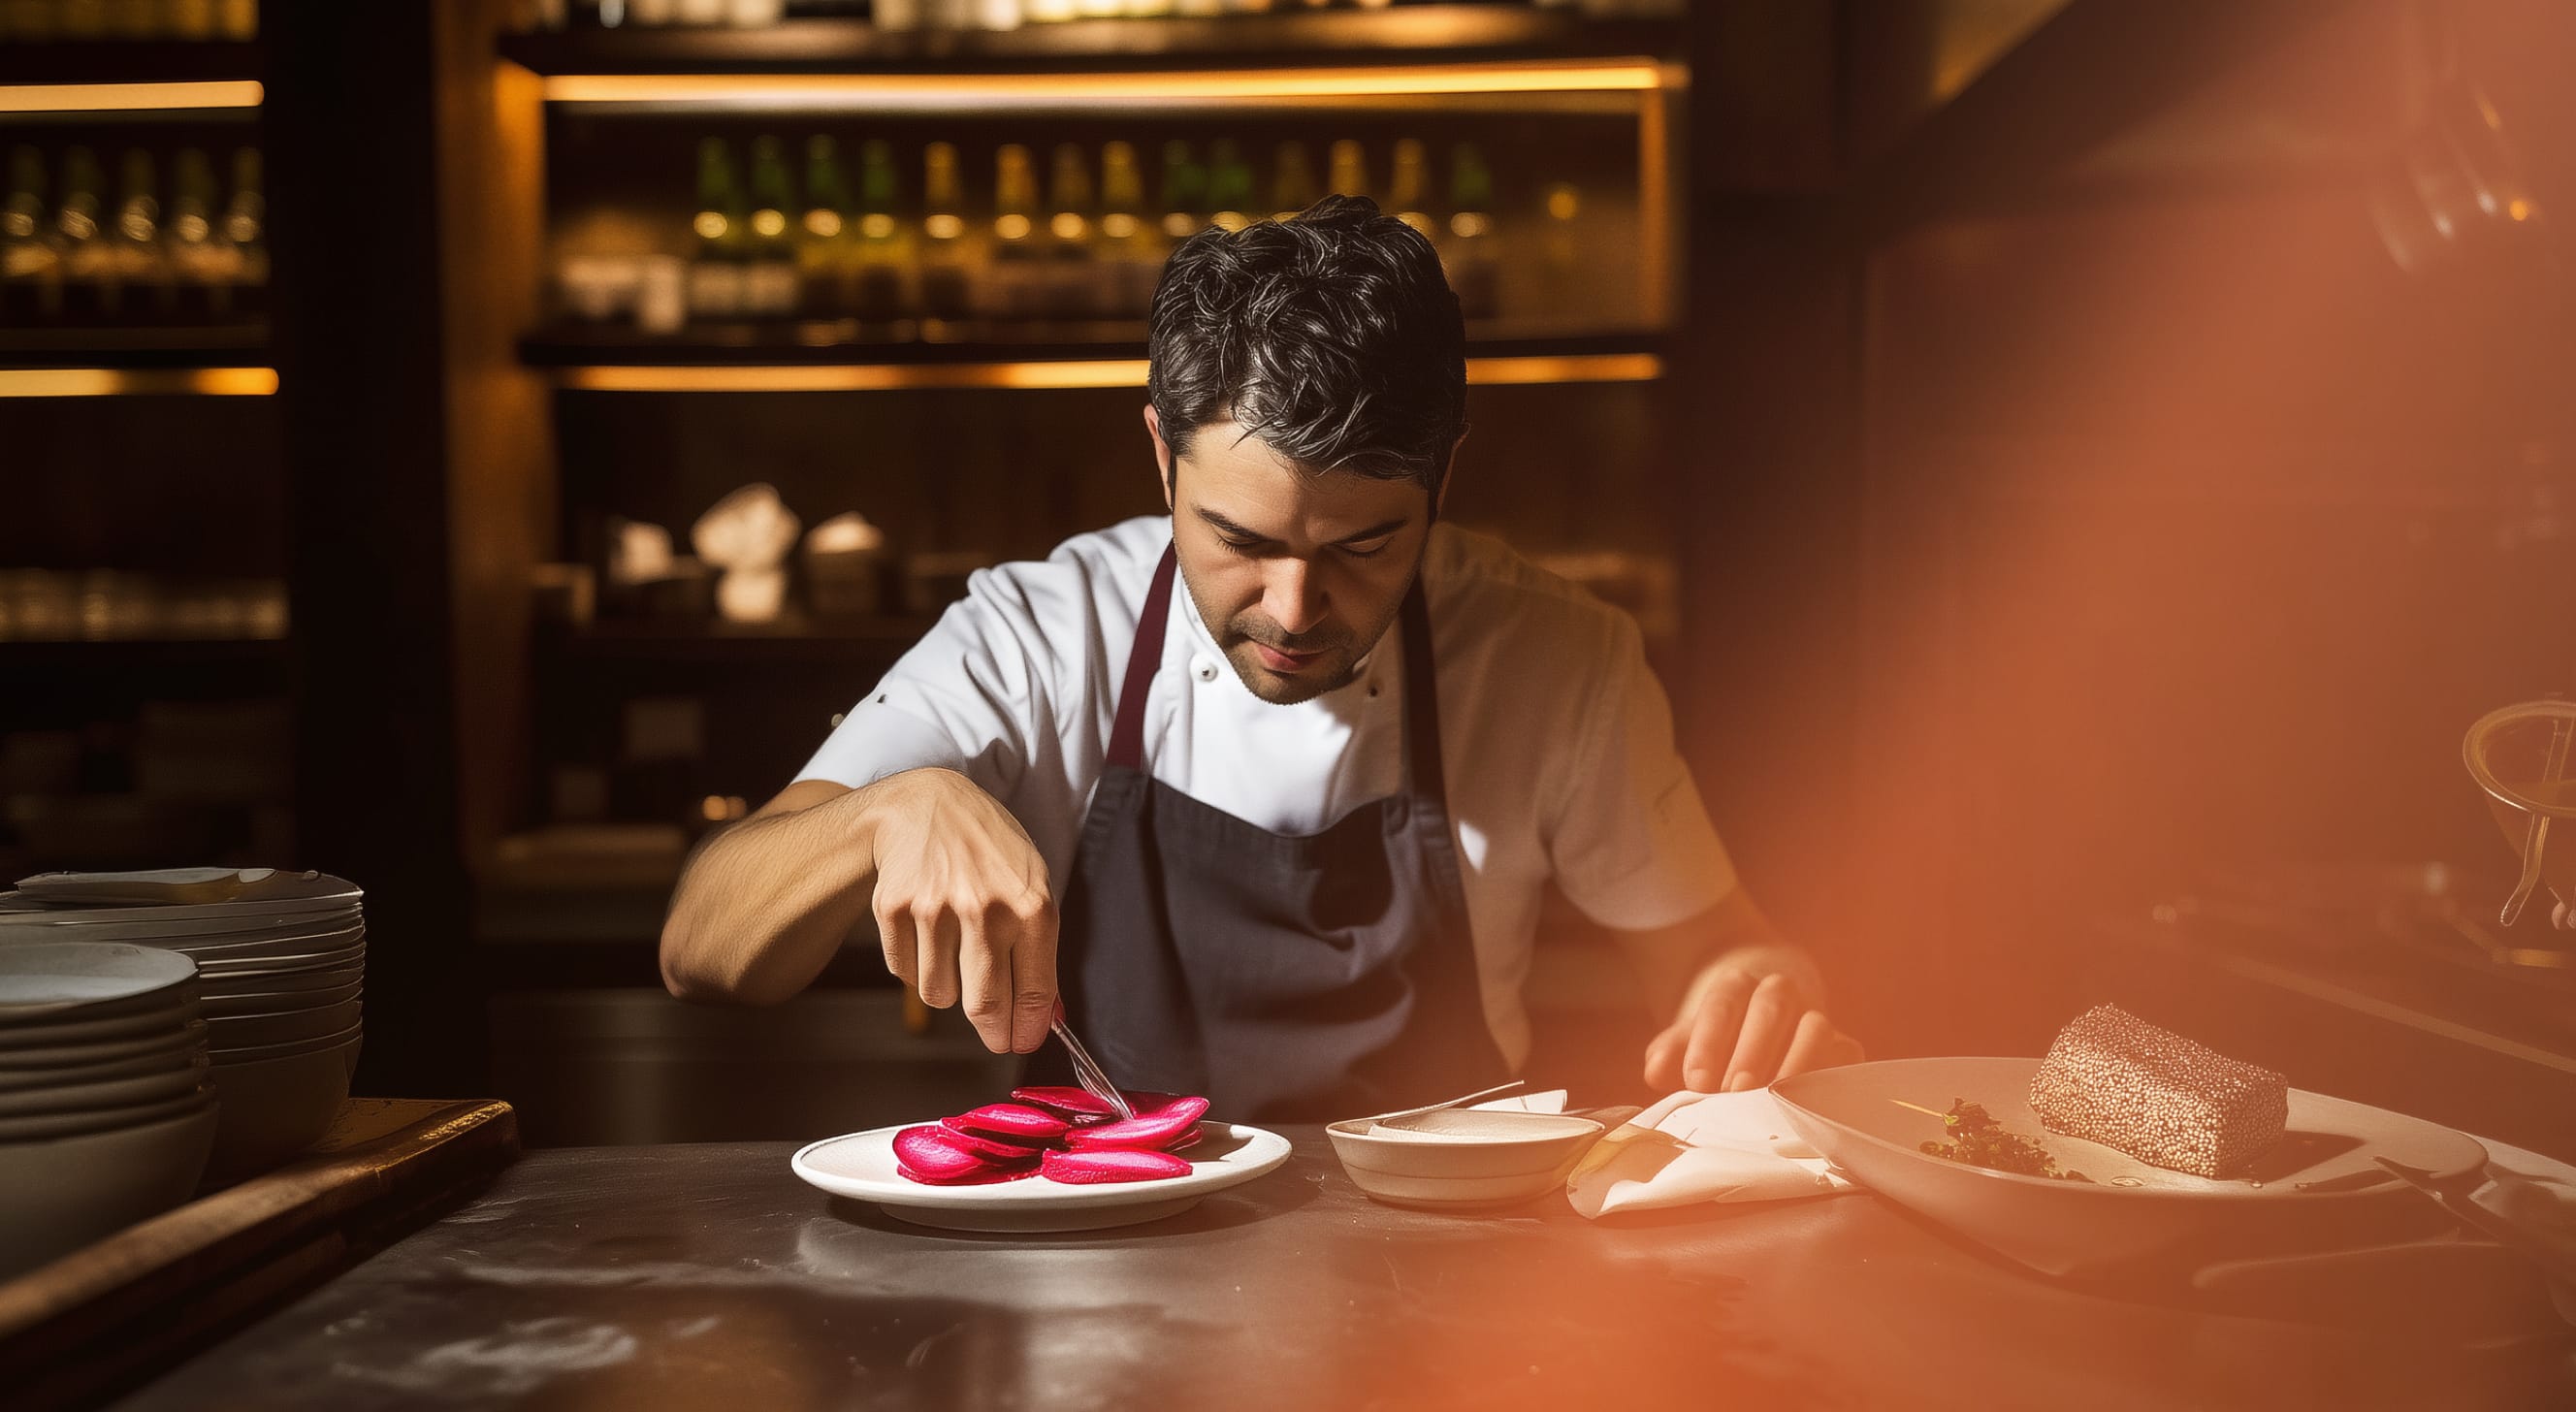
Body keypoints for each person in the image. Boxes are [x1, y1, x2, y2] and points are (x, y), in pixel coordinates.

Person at [659, 196, 1862, 1120]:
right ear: (1160, 458)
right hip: (1092, 1294)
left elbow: (1714, 954)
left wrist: (1756, 993)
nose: (1294, 608)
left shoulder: (1556, 658)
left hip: (1447, 1316)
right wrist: (883, 814)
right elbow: (702, 944)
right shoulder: (1039, 630)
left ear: (1445, 478)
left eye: (1366, 544)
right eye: (1238, 539)